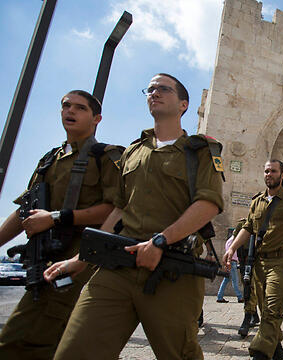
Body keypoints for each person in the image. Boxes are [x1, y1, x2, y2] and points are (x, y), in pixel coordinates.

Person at [45, 73, 225, 360]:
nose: (154, 93)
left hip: (172, 271)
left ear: (183, 105)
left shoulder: (200, 151)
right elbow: (119, 210)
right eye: (150, 89)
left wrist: (160, 241)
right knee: (75, 350)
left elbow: (209, 204)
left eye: (164, 89)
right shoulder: (132, 152)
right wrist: (83, 258)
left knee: (179, 354)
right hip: (118, 267)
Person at [0, 90, 122, 359]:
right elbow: (25, 210)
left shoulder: (105, 156)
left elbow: (117, 208)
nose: (70, 111)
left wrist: (57, 217)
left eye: (80, 108)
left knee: (25, 341)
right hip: (45, 257)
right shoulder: (49, 160)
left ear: (96, 118)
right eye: (66, 106)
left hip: (79, 261)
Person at [223, 160, 283, 360]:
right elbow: (248, 227)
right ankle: (278, 355)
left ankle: (259, 355)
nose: (269, 174)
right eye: (266, 171)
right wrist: (232, 248)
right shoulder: (257, 201)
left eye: (273, 171)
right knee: (267, 316)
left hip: (281, 264)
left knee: (272, 313)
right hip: (259, 266)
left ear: (282, 175)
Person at [217, 219, 245, 303]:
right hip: (232, 262)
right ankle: (240, 297)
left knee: (226, 280)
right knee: (235, 280)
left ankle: (219, 296)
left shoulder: (229, 240)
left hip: (231, 262)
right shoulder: (233, 241)